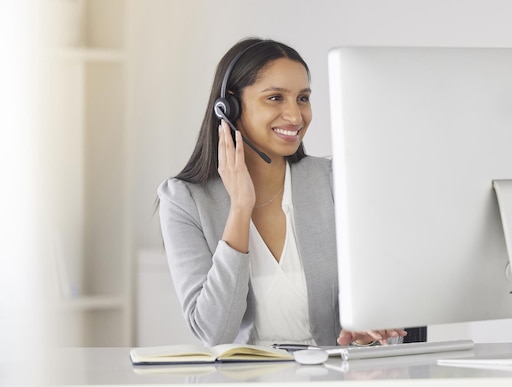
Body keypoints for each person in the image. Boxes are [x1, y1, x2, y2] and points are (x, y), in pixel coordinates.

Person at [157, 37, 406, 347]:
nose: (296, 116)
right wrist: (240, 208)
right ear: (229, 107)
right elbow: (215, 333)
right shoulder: (184, 200)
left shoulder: (335, 182)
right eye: (275, 98)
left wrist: (367, 335)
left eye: (303, 98)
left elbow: (383, 316)